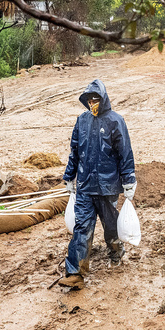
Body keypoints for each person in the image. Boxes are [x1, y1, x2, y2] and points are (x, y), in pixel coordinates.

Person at [59, 79, 136, 290]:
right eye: (89, 99)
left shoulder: (115, 121)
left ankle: (116, 251)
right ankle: (75, 272)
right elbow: (74, 152)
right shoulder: (81, 121)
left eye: (96, 99)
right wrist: (69, 177)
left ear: (103, 99)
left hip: (107, 186)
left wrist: (129, 180)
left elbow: (125, 154)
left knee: (111, 226)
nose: (92, 102)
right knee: (82, 227)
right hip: (85, 186)